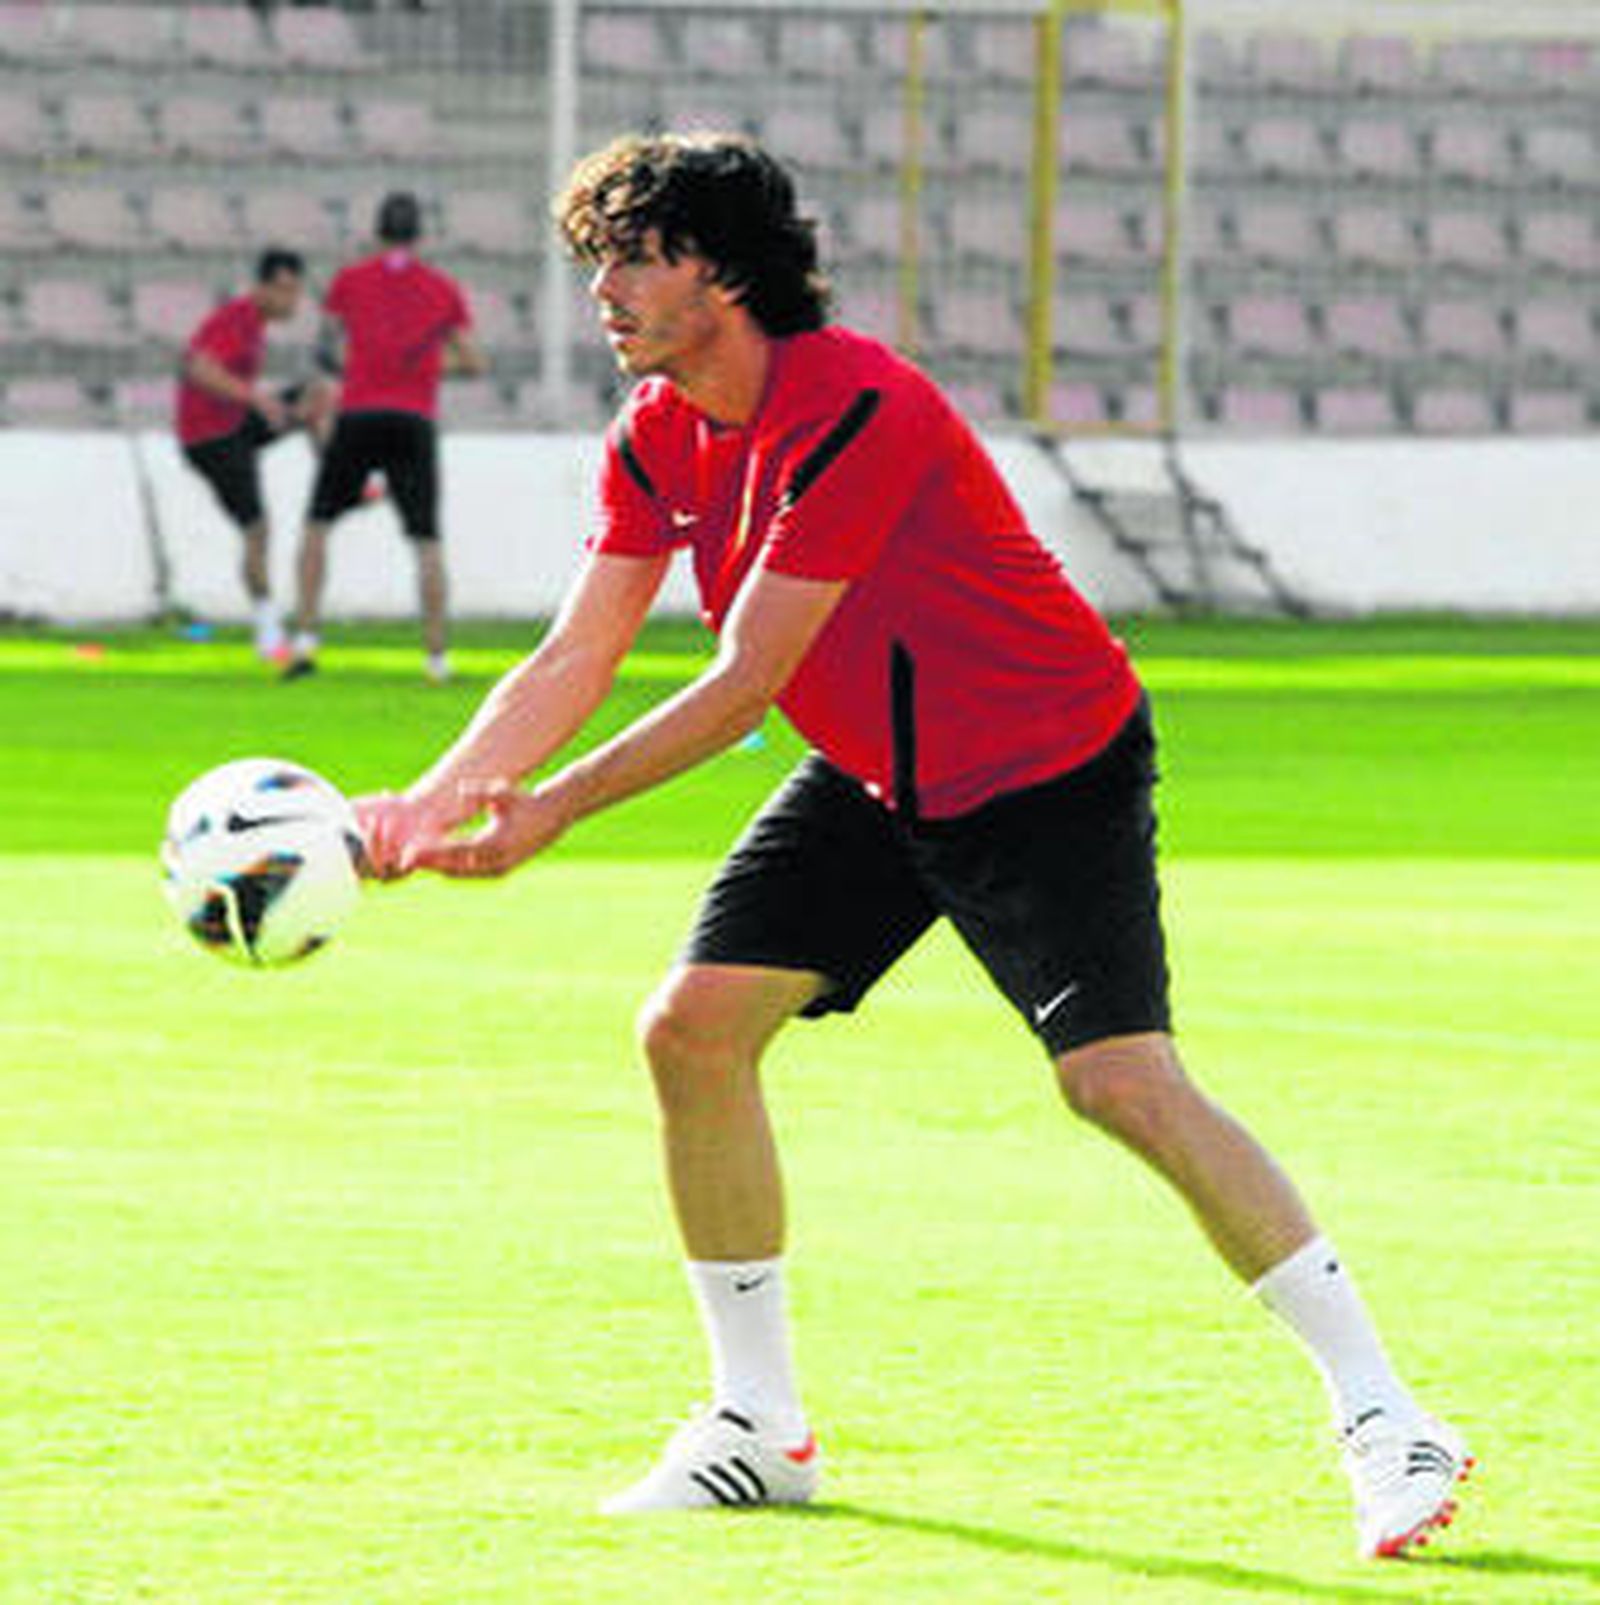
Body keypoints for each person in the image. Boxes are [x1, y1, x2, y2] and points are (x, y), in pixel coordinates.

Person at [355, 133, 1471, 1557]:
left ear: (726, 271)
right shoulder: (655, 433)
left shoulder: (856, 405)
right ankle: (758, 1429)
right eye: (598, 261)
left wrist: (552, 816)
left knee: (1120, 1086)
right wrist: (433, 798)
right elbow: (579, 652)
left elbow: (743, 679)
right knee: (691, 1033)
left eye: (636, 256)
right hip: (883, 773)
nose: (605, 290)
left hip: (1043, 767)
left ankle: (1386, 1415)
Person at [284, 190, 486, 684]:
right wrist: (428, 365)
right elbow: (473, 361)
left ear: (378, 231)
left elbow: (328, 349)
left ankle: (306, 641)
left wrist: (363, 365)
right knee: (426, 540)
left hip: (359, 413)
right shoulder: (442, 288)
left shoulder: (350, 281)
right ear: (420, 233)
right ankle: (436, 658)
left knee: (317, 526)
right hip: (412, 419)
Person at [175, 248, 337, 660]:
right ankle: (268, 632)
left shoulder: (255, 325)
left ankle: (340, 478)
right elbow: (198, 368)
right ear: (261, 286)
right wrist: (257, 399)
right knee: (257, 528)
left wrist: (276, 410)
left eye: (296, 292)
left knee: (318, 394)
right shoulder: (236, 319)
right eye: (283, 290)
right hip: (211, 436)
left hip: (235, 425)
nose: (291, 302)